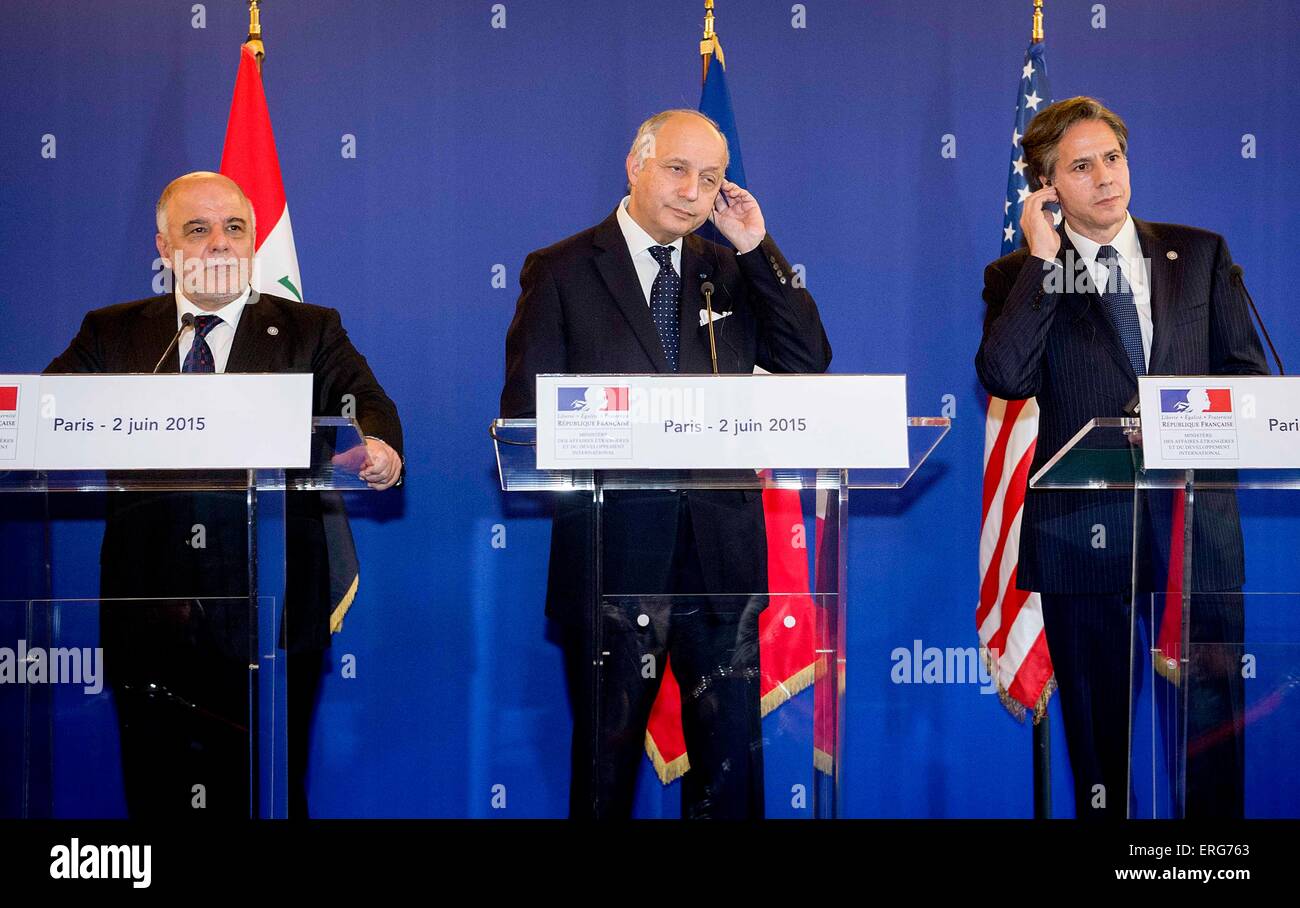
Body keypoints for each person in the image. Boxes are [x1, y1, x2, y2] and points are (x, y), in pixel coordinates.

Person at [500, 109, 831, 818]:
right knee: (606, 771)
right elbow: (529, 413)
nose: (693, 191)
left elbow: (808, 361)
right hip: (613, 561)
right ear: (635, 164)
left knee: (731, 778)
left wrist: (758, 248)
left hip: (722, 558)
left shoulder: (731, 268)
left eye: (710, 179)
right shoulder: (560, 270)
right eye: (678, 169)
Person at [46, 171, 403, 817]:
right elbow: (47, 415)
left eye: (235, 228)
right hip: (148, 598)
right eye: (198, 229)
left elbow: (365, 403)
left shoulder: (309, 328)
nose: (219, 243)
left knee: (267, 783)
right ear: (164, 247)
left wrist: (379, 447)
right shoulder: (111, 331)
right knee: (156, 782)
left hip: (271, 594)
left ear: (254, 239)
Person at [976, 97, 1268, 818]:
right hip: (1084, 532)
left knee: (1211, 731)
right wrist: (1043, 265)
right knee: (1102, 743)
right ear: (1046, 188)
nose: (1106, 176)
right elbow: (1007, 377)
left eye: (1113, 157)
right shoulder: (1013, 275)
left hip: (1197, 532)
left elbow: (1249, 383)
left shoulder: (1198, 254)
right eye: (1081, 166)